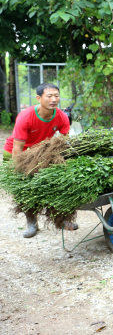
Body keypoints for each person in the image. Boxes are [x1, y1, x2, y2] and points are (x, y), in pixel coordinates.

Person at [3, 83, 75, 238]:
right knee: (25, 186)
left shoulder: (62, 117)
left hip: (39, 152)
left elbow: (63, 143)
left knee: (56, 181)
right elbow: (17, 149)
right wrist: (19, 172)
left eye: (56, 95)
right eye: (49, 96)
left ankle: (61, 219)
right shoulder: (25, 117)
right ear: (39, 98)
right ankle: (31, 222)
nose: (54, 99)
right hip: (17, 152)